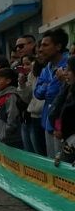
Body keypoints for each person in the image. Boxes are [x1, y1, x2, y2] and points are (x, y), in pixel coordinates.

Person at [34, 28, 70, 158]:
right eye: (41, 45)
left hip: (63, 123)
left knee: (63, 163)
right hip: (48, 121)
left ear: (58, 46)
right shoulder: (46, 69)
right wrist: (51, 84)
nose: (40, 49)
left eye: (45, 45)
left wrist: (47, 86)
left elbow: (52, 93)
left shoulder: (69, 65)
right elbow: (38, 93)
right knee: (51, 160)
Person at [17, 55, 47, 155]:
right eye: (23, 64)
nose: (25, 67)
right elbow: (27, 98)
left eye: (28, 64)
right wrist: (22, 85)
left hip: (45, 115)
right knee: (35, 151)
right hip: (33, 116)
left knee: (42, 151)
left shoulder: (48, 71)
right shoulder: (31, 75)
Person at [0, 68, 23, 148]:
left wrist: (5, 133)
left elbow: (12, 116)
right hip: (2, 135)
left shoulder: (11, 96)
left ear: (8, 81)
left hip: (11, 138)